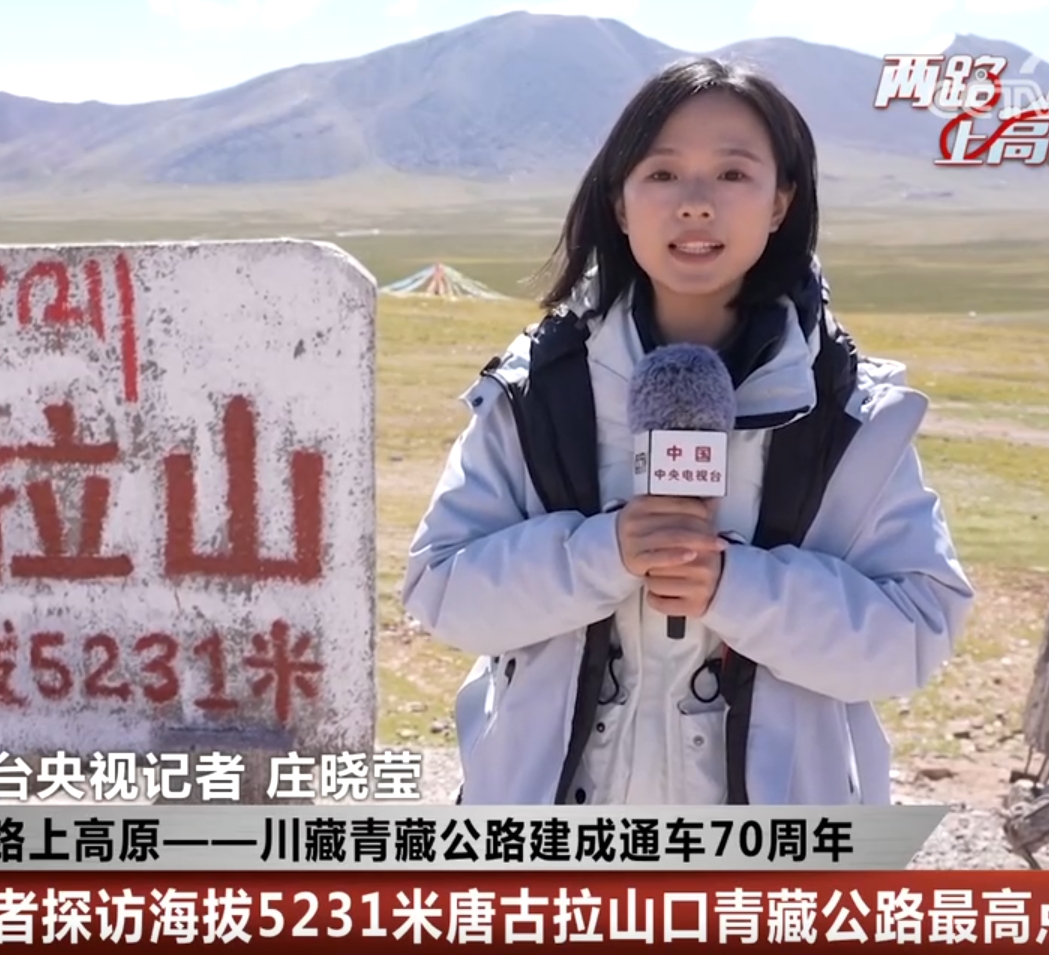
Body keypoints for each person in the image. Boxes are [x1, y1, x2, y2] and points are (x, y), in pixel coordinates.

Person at [400, 56, 975, 806]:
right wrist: (602, 552)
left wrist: (738, 586)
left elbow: (915, 636)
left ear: (781, 201)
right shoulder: (538, 393)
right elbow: (441, 589)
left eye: (733, 174)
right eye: (663, 174)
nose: (696, 204)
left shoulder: (849, 415)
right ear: (619, 201)